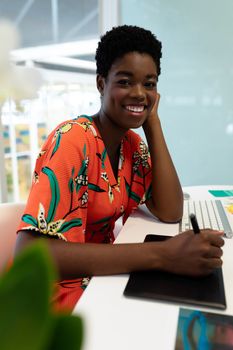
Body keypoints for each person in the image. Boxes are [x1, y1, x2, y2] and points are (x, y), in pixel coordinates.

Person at [15, 25, 224, 312]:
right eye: (126, 82)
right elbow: (31, 253)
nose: (139, 93)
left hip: (102, 282)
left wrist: (153, 124)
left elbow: (170, 209)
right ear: (101, 84)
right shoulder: (73, 140)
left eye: (149, 84)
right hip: (57, 302)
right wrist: (162, 255)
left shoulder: (132, 146)